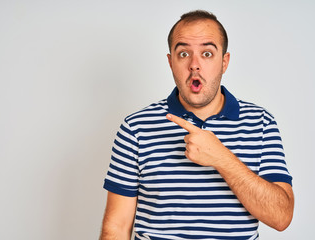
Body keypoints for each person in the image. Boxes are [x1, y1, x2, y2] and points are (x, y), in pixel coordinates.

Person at [100, 10, 294, 240]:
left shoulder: (261, 123)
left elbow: (281, 217)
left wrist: (221, 157)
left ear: (224, 62)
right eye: (183, 54)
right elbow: (116, 227)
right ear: (171, 62)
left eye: (207, 53)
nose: (195, 65)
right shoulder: (136, 128)